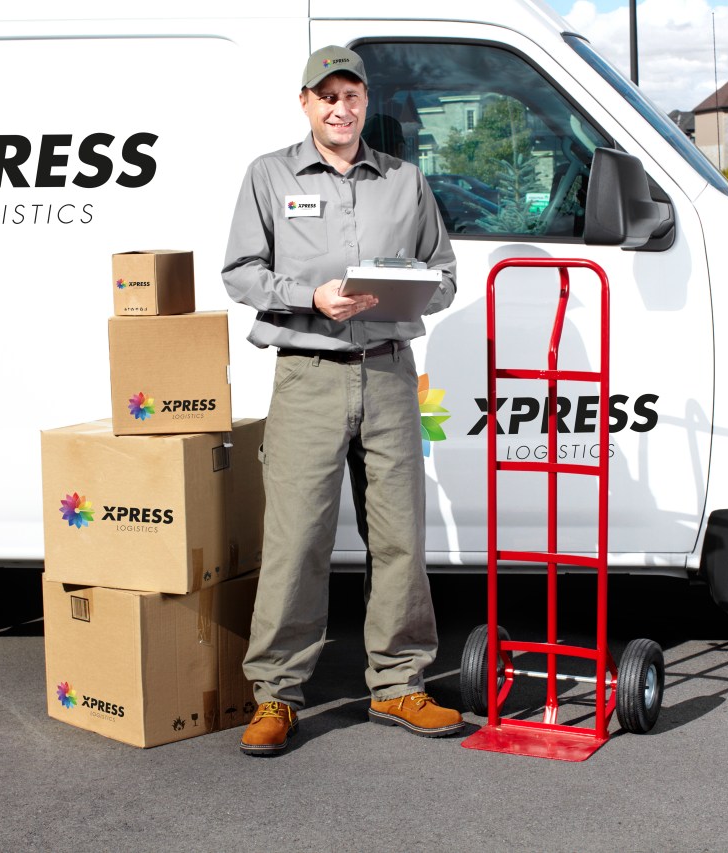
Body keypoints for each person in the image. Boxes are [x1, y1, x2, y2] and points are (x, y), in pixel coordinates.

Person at [222, 45, 460, 756]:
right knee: (297, 539)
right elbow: (240, 271)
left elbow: (444, 274)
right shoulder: (270, 175)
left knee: (398, 538)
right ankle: (275, 694)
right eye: (326, 96)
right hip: (308, 373)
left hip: (389, 373)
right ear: (305, 103)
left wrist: (409, 286)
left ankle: (399, 683)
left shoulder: (404, 181)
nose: (340, 108)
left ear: (365, 102)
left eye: (351, 95)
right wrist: (310, 297)